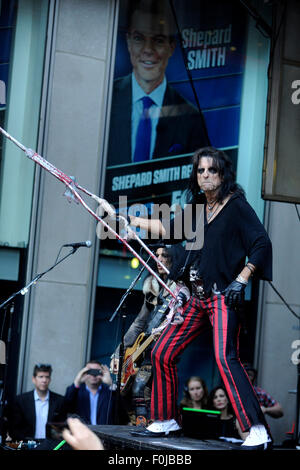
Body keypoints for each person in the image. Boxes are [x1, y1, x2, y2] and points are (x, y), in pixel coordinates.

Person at [120, 145, 273, 450]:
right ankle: (166, 420)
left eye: (211, 170)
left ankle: (256, 429)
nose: (205, 175)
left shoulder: (237, 207)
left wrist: (242, 279)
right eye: (200, 170)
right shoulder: (198, 209)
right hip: (195, 297)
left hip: (222, 297)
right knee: (162, 352)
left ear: (223, 174)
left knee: (225, 358)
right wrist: (130, 220)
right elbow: (168, 228)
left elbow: (262, 244)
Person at [107, 0, 209, 166]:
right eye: (139, 38)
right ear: (128, 42)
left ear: (171, 47)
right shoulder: (107, 100)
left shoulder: (191, 118)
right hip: (115, 193)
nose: (148, 49)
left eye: (159, 40)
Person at [110, 244, 184, 426]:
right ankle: (140, 424)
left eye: (164, 255)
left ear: (173, 258)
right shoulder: (153, 285)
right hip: (145, 347)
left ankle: (154, 425)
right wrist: (118, 353)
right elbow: (139, 323)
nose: (159, 259)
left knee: (141, 387)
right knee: (125, 391)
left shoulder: (180, 288)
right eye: (156, 255)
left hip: (163, 348)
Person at [8, 363, 66, 442]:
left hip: (50, 445)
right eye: (41, 377)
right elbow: (15, 428)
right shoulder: (21, 400)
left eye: (47, 377)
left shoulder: (59, 401)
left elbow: (61, 428)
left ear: (50, 379)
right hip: (27, 444)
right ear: (34, 379)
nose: (44, 380)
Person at [64, 361, 115, 425]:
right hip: (83, 432)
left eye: (97, 371)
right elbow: (65, 407)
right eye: (90, 371)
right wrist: (77, 382)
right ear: (84, 373)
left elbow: (120, 410)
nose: (93, 375)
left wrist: (111, 384)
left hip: (104, 432)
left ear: (102, 373)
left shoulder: (109, 391)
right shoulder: (77, 391)